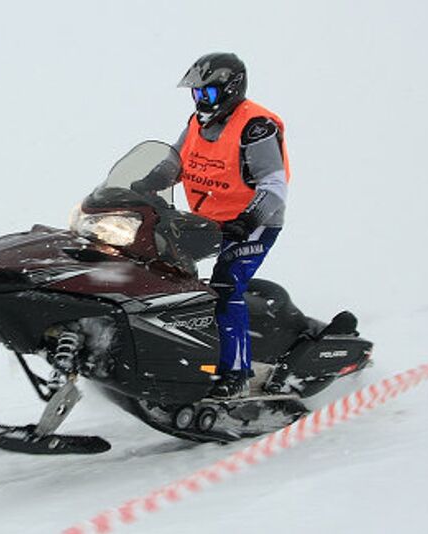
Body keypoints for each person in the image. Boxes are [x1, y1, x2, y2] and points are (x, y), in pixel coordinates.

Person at [175, 52, 291, 399]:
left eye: (206, 94)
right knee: (169, 276)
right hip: (209, 220)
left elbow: (274, 187)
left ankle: (236, 373)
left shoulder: (255, 127)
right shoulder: (197, 123)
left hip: (254, 221)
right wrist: (140, 186)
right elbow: (173, 162)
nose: (200, 101)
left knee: (226, 283)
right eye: (196, 94)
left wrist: (247, 221)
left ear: (230, 90)